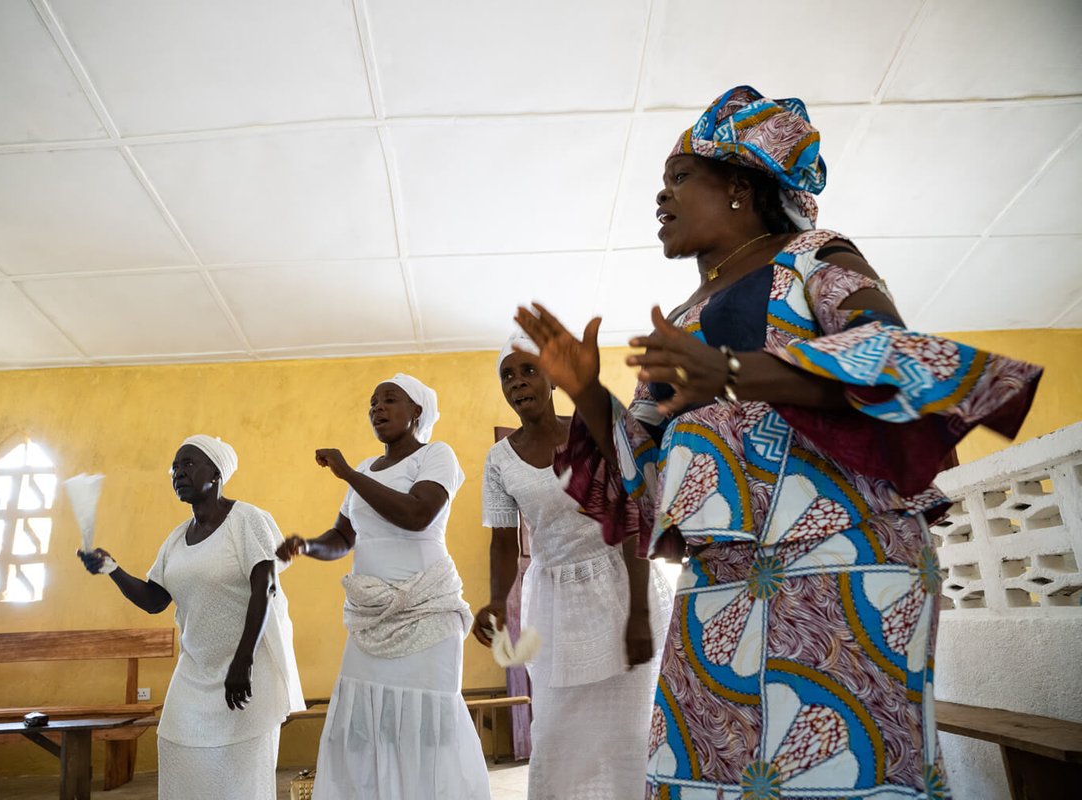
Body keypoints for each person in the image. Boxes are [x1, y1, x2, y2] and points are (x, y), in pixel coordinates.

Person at [515, 86, 1043, 799]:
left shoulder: (813, 257)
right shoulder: (681, 316)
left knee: (842, 763)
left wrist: (732, 372)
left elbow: (891, 358)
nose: (660, 198)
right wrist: (585, 393)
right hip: (718, 578)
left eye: (678, 179)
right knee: (708, 768)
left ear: (739, 187)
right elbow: (642, 468)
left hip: (844, 556)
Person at [473, 334, 674, 799]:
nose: (517, 382)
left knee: (628, 733)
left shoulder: (590, 433)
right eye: (507, 374)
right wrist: (495, 601)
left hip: (622, 584)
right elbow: (503, 542)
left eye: (528, 370)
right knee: (555, 733)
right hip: (555, 604)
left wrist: (639, 614)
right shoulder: (499, 461)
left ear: (551, 380)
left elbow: (628, 520)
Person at [277, 374, 489, 800]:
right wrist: (308, 545)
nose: (377, 408)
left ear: (417, 412)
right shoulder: (363, 471)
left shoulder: (436, 455)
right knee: (361, 722)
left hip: (427, 607)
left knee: (428, 728)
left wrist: (347, 475)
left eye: (389, 400)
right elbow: (343, 538)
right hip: (371, 616)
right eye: (372, 403)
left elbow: (417, 514)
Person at [78, 434, 304, 800]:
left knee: (239, 773)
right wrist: (112, 568)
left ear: (216, 473)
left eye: (188, 464)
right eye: (174, 467)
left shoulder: (248, 520)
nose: (178, 472)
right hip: (196, 669)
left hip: (246, 667)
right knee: (176, 746)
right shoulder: (177, 539)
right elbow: (155, 600)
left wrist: (242, 660)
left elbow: (264, 587)